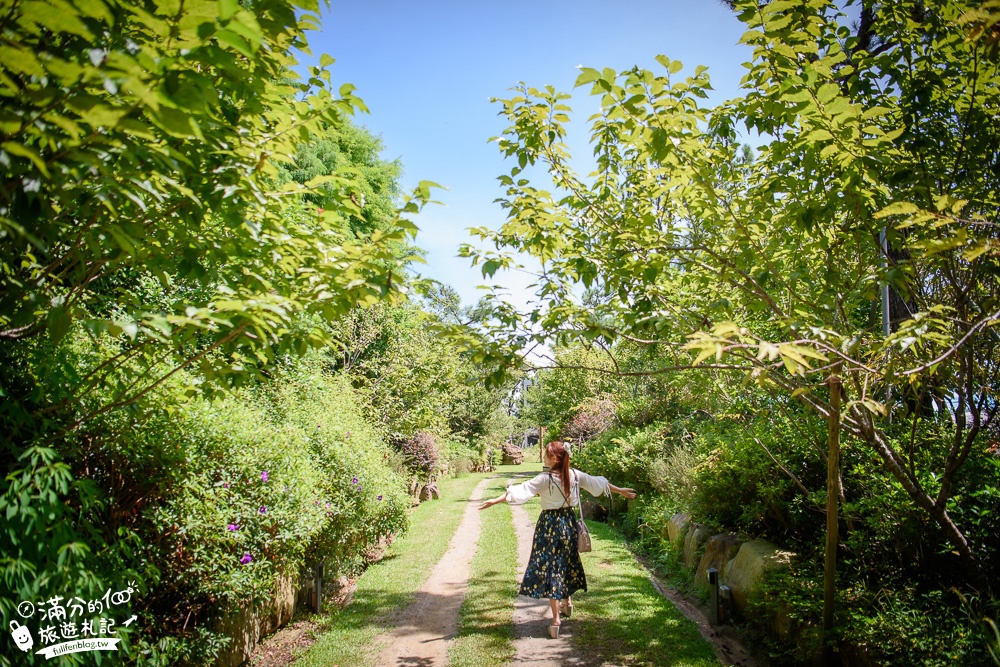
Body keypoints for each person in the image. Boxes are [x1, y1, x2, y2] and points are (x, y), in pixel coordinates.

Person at [478, 440, 637, 638]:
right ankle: (567, 603)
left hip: (549, 525)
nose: (544, 457)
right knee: (565, 563)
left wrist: (495, 500)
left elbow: (521, 490)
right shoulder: (574, 475)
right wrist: (621, 490)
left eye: (546, 454)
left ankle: (555, 621)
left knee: (552, 568)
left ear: (553, 458)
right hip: (569, 523)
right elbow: (599, 483)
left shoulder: (545, 479)